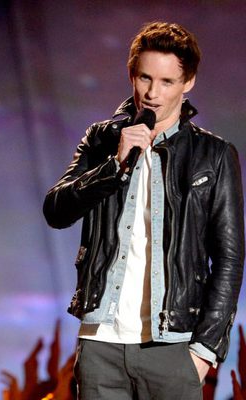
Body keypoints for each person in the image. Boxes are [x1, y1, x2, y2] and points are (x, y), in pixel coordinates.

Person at [43, 21, 244, 399]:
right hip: (101, 342)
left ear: (188, 83)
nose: (152, 93)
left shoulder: (213, 156)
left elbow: (230, 259)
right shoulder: (101, 139)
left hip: (173, 346)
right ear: (131, 75)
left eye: (167, 82)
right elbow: (56, 210)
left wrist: (204, 351)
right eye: (144, 78)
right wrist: (113, 165)